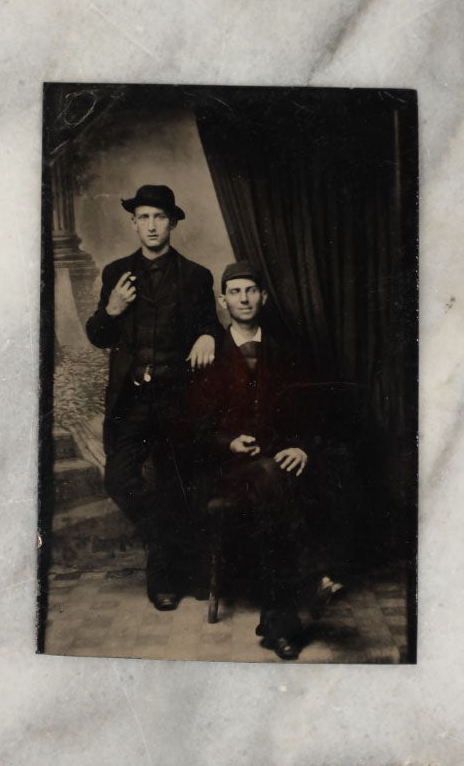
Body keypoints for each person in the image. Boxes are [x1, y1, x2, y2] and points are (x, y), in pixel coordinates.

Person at [86, 184, 222, 611]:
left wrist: (206, 334)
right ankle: (170, 548)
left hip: (177, 399)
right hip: (130, 401)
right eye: (143, 217)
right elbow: (97, 335)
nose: (151, 226)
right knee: (120, 479)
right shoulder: (115, 274)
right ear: (133, 223)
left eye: (159, 217)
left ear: (173, 223)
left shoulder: (197, 276)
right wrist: (111, 309)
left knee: (174, 483)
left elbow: (211, 326)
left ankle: (164, 574)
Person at [192, 261, 312, 660]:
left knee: (276, 478)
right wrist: (228, 443)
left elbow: (308, 412)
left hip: (278, 465)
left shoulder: (287, 351)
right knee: (269, 481)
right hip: (227, 471)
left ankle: (276, 616)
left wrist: (300, 446)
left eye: (251, 291)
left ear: (262, 296)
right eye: (235, 292)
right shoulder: (208, 353)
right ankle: (293, 603)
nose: (243, 298)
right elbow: (192, 428)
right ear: (223, 300)